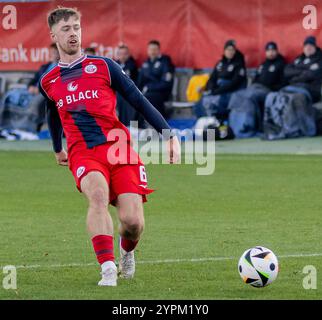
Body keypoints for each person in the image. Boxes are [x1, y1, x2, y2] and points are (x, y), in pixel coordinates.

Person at [39, 7, 181, 287]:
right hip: (84, 151)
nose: (73, 33)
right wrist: (58, 148)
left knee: (132, 223)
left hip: (119, 148)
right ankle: (107, 268)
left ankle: (127, 251)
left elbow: (139, 100)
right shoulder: (49, 80)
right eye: (66, 29)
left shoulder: (104, 66)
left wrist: (169, 135)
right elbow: (52, 114)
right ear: (53, 34)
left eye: (76, 27)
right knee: (98, 197)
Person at [228, 42, 285, 137]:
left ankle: (249, 127)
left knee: (250, 96)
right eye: (268, 50)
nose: (271, 52)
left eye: (273, 50)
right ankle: (234, 127)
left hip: (268, 90)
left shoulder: (281, 64)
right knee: (236, 95)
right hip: (255, 88)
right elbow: (255, 80)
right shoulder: (263, 65)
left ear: (276, 51)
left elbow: (282, 83)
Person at [193, 40, 247, 121]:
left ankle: (215, 124)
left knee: (215, 102)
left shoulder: (238, 64)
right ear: (224, 51)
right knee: (200, 102)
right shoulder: (220, 63)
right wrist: (211, 88)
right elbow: (212, 78)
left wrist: (217, 91)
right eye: (228, 50)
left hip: (229, 92)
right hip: (217, 91)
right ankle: (202, 123)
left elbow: (234, 83)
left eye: (232, 50)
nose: (230, 52)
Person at [137, 40, 174, 119]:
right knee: (132, 97)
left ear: (159, 50)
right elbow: (140, 82)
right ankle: (133, 126)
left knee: (148, 98)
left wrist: (149, 88)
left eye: (155, 49)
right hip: (146, 92)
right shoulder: (145, 63)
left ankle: (155, 124)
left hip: (161, 93)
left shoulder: (165, 62)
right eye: (150, 49)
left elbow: (166, 83)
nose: (152, 52)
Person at [283, 36, 322, 103]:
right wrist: (304, 70)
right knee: (277, 96)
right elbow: (286, 71)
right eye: (306, 45)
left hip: (311, 90)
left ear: (315, 47)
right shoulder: (299, 58)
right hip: (294, 86)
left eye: (311, 45)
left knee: (294, 99)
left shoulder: (320, 58)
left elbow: (311, 75)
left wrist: (293, 78)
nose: (308, 47)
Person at [115, 44, 139, 127]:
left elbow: (136, 80)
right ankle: (118, 124)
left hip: (129, 90)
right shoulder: (114, 64)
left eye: (125, 54)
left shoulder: (132, 65)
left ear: (128, 55)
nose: (123, 56)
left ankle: (130, 125)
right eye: (120, 54)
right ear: (117, 55)